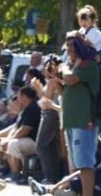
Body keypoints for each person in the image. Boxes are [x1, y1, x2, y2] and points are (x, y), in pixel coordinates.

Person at [59, 31, 100, 196]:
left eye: (72, 45)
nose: (69, 49)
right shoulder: (72, 66)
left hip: (85, 121)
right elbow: (67, 90)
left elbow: (70, 79)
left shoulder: (88, 65)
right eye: (67, 45)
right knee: (77, 163)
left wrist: (62, 67)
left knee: (85, 164)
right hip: (72, 121)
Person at [29, 149, 101, 196]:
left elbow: (82, 173)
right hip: (98, 185)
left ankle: (46, 189)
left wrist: (59, 184)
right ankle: (45, 189)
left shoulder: (92, 155)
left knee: (74, 184)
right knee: (71, 182)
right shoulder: (93, 153)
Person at [34, 55, 64, 183]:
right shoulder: (52, 81)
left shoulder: (54, 81)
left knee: (41, 146)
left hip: (51, 115)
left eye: (49, 66)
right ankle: (54, 177)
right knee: (51, 147)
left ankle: (50, 178)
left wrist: (38, 88)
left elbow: (45, 100)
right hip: (51, 114)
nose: (46, 69)